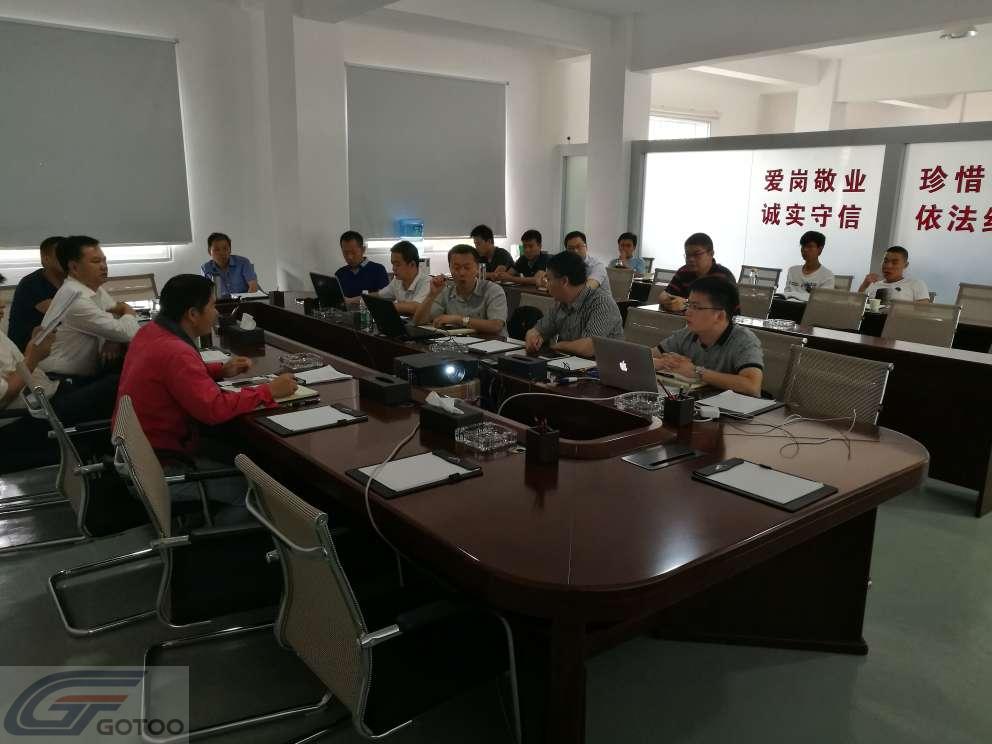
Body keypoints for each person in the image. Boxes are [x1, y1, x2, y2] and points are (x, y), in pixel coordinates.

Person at [116, 274, 297, 522]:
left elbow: (172, 376)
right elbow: (214, 409)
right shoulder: (175, 351)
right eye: (212, 306)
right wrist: (269, 391)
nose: (216, 312)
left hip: (143, 456)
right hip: (161, 468)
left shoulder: (150, 331)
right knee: (256, 492)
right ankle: (213, 540)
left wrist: (220, 371)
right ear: (193, 314)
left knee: (245, 456)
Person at [0, 273, 119, 474]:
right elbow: (4, 398)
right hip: (30, 416)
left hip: (48, 396)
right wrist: (32, 357)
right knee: (116, 388)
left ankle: (115, 467)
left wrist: (33, 347)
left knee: (114, 378)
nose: (2, 303)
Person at [39, 236, 141, 379]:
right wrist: (128, 311)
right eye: (96, 261)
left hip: (85, 373)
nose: (104, 266)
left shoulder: (91, 287)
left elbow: (115, 312)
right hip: (60, 378)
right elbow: (128, 332)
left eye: (104, 260)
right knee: (130, 379)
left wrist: (111, 338)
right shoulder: (75, 298)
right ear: (74, 267)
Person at [652, 275, 764, 397]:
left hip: (729, 407)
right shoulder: (688, 333)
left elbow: (752, 387)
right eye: (688, 305)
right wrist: (663, 363)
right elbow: (648, 356)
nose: (687, 312)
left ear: (720, 316)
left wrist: (697, 372)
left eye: (696, 307)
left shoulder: (744, 340)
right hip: (695, 401)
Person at [524, 251, 623, 358]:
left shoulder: (602, 303)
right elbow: (538, 330)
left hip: (604, 365)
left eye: (548, 279)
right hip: (571, 363)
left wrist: (557, 346)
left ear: (564, 281)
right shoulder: (561, 303)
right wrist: (532, 336)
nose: (546, 285)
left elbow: (588, 347)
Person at [412, 245, 507, 335]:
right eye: (456, 268)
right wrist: (431, 295)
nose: (461, 273)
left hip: (494, 343)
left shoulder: (493, 290)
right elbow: (419, 322)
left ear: (477, 268)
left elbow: (496, 325)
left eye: (467, 267)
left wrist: (459, 320)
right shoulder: (445, 291)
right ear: (450, 268)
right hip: (459, 342)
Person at [7, 236, 65, 351]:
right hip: (28, 351)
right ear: (45, 259)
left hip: (58, 346)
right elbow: (62, 313)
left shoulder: (70, 280)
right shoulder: (31, 283)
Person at [657, 232, 735, 312]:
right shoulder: (683, 272)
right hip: (683, 318)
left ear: (711, 254)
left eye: (697, 254)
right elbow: (665, 295)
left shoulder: (722, 276)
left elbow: (718, 309)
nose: (691, 259)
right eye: (688, 255)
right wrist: (667, 300)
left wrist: (686, 304)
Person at [373, 240, 431, 315]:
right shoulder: (397, 281)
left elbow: (415, 307)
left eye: (397, 265)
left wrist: (382, 306)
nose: (393, 268)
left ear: (412, 264)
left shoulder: (427, 282)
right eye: (393, 264)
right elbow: (379, 295)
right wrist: (361, 299)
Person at [857, 246, 930, 302]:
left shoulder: (915, 284)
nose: (888, 266)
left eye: (894, 263)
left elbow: (922, 311)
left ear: (905, 265)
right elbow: (857, 306)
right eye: (885, 261)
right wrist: (865, 284)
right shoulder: (873, 285)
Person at [335, 230, 389, 300]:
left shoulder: (378, 270)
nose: (349, 257)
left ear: (363, 250)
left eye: (353, 252)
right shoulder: (340, 273)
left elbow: (385, 297)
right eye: (345, 253)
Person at [783, 230, 835, 300]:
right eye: (803, 246)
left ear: (820, 249)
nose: (805, 250)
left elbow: (821, 301)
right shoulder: (792, 270)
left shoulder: (827, 276)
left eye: (810, 246)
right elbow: (786, 294)